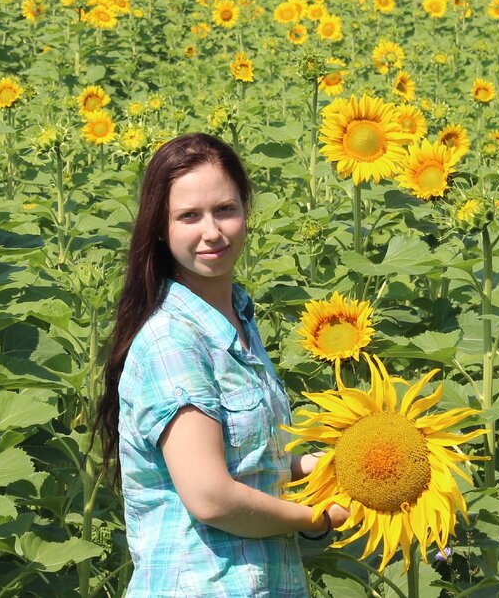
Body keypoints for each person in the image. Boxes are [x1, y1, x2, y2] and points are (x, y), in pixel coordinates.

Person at [94, 133, 348, 596]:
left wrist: (330, 469)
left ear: (246, 214)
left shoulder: (236, 321)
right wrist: (319, 517)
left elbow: (246, 456)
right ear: (160, 227)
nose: (212, 231)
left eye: (225, 210)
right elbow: (211, 496)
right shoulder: (173, 341)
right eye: (189, 216)